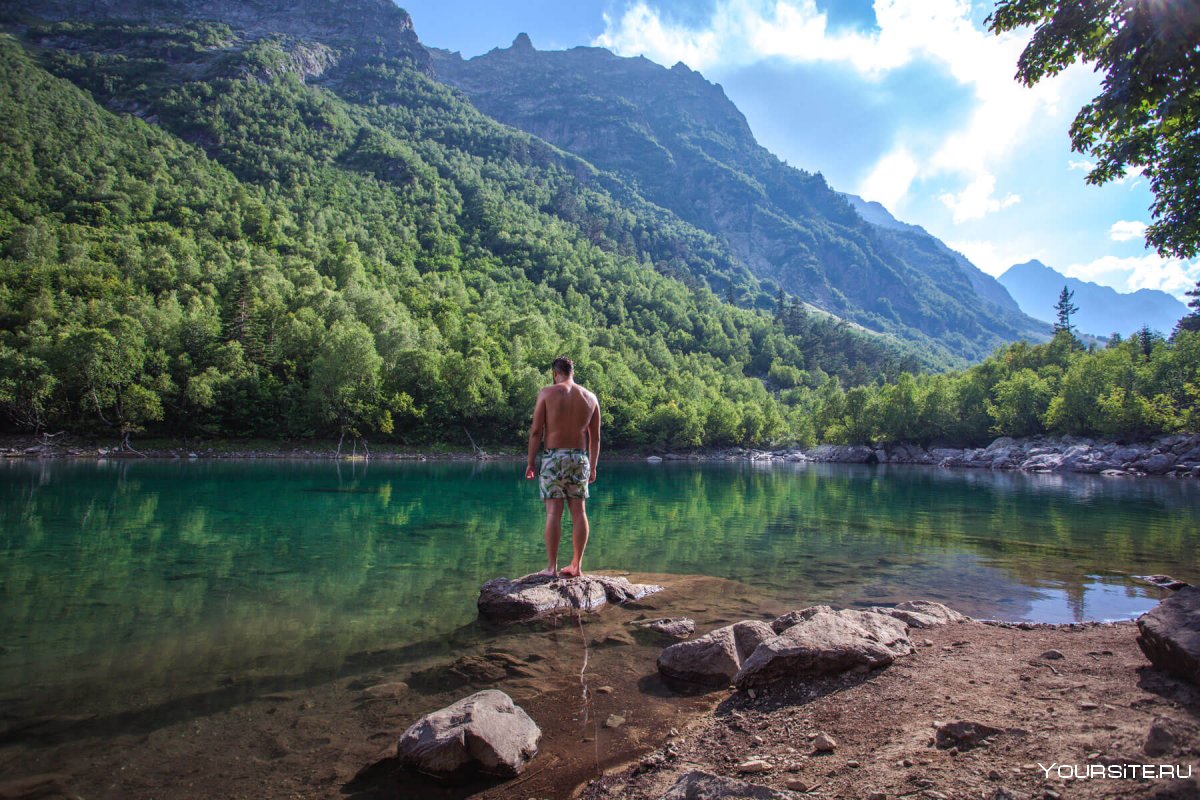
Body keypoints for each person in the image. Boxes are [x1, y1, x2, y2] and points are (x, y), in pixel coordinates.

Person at [525, 356, 600, 578]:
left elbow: (536, 431)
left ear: (555, 373)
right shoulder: (590, 397)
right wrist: (593, 466)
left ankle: (551, 568)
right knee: (579, 512)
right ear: (572, 372)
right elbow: (595, 438)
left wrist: (530, 462)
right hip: (579, 458)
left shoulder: (547, 393)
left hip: (553, 458)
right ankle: (576, 566)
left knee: (553, 514)